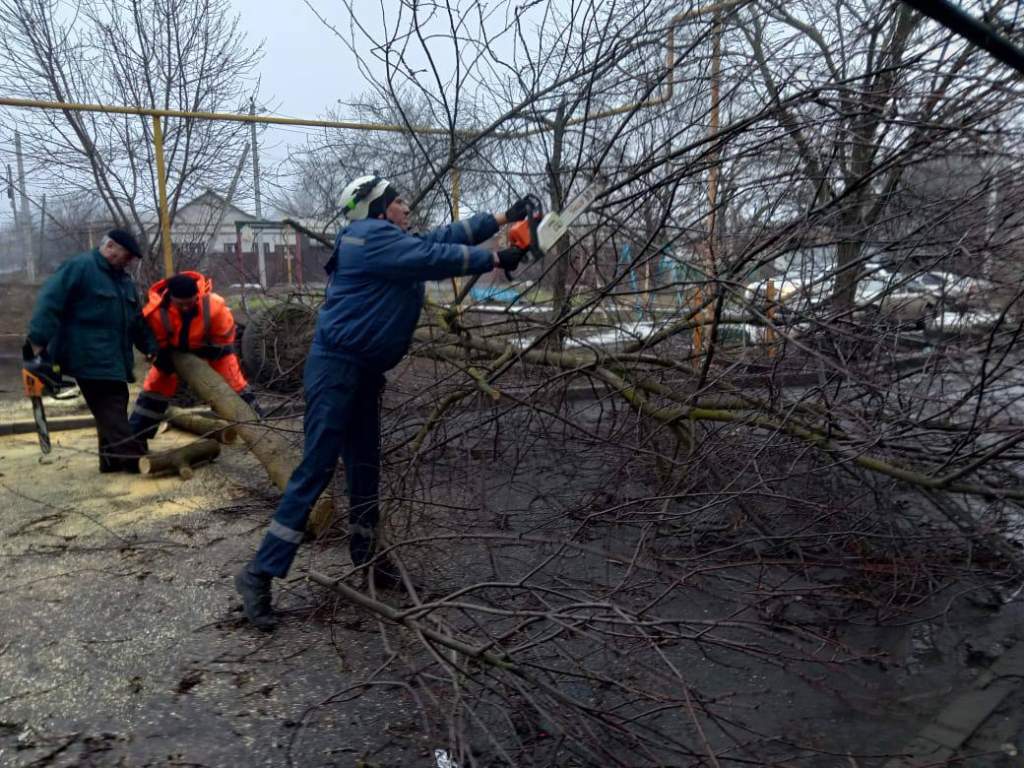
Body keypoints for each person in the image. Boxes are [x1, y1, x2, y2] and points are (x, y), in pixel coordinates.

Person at [235, 175, 531, 629]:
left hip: (362, 371)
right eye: (398, 200)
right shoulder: (368, 240)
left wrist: (502, 218)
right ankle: (258, 574)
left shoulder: (383, 238)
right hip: (336, 370)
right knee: (315, 470)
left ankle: (367, 557)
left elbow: (440, 238)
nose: (406, 205)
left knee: (365, 468)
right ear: (376, 208)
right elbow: (433, 257)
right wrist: (494, 256)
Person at [26, 228, 156, 473]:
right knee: (110, 406)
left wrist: (150, 347)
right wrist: (37, 342)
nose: (128, 262)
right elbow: (49, 302)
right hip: (87, 355)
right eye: (126, 256)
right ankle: (135, 458)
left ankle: (111, 460)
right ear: (110, 247)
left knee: (115, 404)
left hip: (114, 359)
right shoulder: (80, 268)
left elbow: (136, 320)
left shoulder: (123, 281)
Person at [127, 271, 262, 446]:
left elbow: (226, 335)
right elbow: (151, 340)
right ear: (171, 298)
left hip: (213, 349)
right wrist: (158, 353)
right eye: (180, 304)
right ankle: (137, 436)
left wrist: (211, 350)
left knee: (235, 384)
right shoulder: (155, 311)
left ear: (196, 297)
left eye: (189, 303)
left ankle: (259, 426)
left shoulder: (214, 306)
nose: (185, 308)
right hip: (173, 351)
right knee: (155, 387)